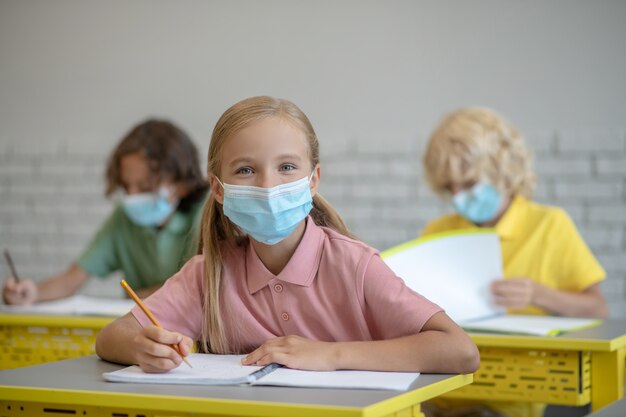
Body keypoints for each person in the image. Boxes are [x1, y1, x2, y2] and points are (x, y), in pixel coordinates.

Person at [95, 96, 480, 375]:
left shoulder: (355, 266)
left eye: (287, 167)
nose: (267, 185)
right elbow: (111, 338)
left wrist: (331, 356)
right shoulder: (206, 274)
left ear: (313, 180)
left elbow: (460, 351)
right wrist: (140, 347)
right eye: (245, 170)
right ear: (217, 188)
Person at [420, 107, 607, 417]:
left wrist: (538, 295)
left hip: (517, 397)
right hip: (442, 394)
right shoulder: (437, 232)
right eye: (448, 188)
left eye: (468, 183)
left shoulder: (550, 225)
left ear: (501, 169)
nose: (458, 197)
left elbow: (597, 308)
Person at [3, 119, 209, 304]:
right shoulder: (124, 218)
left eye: (145, 187)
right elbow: (72, 279)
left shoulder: (208, 214)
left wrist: (139, 295)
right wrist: (32, 293)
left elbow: (204, 285)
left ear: (182, 184)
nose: (132, 197)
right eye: (126, 187)